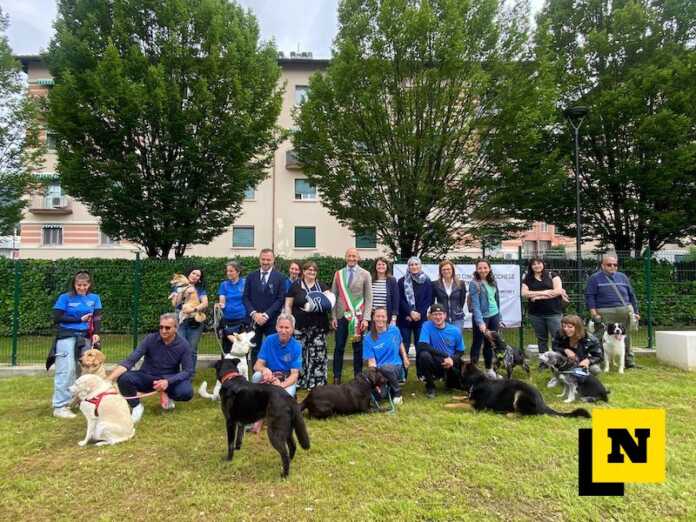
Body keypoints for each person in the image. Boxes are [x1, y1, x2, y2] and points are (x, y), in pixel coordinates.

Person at [108, 313, 194, 424]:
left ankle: (167, 393)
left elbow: (188, 371)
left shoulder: (184, 345)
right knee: (124, 378)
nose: (163, 330)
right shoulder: (150, 339)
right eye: (161, 327)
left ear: (176, 328)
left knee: (186, 392)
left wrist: (168, 382)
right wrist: (108, 380)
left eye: (167, 328)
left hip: (168, 379)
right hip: (147, 376)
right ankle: (137, 407)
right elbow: (130, 361)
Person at [49, 270, 102, 419]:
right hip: (66, 336)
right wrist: (79, 319)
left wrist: (97, 333)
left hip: (85, 337)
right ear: (74, 284)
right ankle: (60, 406)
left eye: (85, 285)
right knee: (67, 370)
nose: (82, 288)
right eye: (79, 285)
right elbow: (57, 318)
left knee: (85, 370)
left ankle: (81, 400)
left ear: (89, 284)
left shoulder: (95, 298)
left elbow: (97, 317)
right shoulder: (65, 298)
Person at [585, 254, 640, 369]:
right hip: (604, 312)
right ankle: (597, 361)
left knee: (626, 337)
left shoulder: (623, 277)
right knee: (600, 337)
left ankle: (629, 362)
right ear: (602, 265)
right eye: (609, 265)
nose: (612, 267)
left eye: (615, 265)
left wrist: (636, 311)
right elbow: (590, 297)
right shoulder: (594, 278)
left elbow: (631, 295)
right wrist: (594, 313)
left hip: (625, 310)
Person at [285, 261, 331, 389]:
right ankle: (299, 380)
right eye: (309, 270)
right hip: (299, 326)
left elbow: (329, 303)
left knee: (318, 354)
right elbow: (288, 305)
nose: (311, 272)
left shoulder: (322, 286)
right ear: (303, 271)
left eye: (314, 270)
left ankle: (316, 382)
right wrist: (289, 321)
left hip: (318, 326)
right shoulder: (295, 286)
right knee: (299, 353)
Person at [331, 248, 373, 384]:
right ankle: (336, 377)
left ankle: (358, 377)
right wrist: (333, 317)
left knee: (358, 348)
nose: (352, 258)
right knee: (339, 347)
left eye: (354, 256)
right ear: (345, 257)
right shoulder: (338, 274)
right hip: (341, 316)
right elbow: (333, 296)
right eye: (349, 256)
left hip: (358, 317)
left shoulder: (365, 274)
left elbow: (368, 298)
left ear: (358, 258)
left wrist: (366, 318)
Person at [243, 249, 287, 367]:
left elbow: (280, 299)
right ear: (259, 259)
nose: (265, 262)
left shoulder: (280, 277)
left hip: (272, 320)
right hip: (254, 320)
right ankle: (255, 377)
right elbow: (245, 297)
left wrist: (266, 315)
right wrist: (254, 314)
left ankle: (273, 377)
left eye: (268, 259)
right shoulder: (251, 276)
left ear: (273, 260)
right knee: (254, 349)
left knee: (273, 349)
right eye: (263, 259)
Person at [522, 257, 566, 363]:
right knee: (542, 339)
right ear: (531, 267)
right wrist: (545, 292)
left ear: (543, 264)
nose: (537, 266)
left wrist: (537, 297)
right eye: (534, 264)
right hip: (536, 314)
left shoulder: (552, 275)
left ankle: (558, 361)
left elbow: (558, 291)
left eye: (539, 263)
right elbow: (524, 293)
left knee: (557, 338)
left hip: (553, 313)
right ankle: (544, 362)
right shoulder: (527, 278)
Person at [416, 303, 465, 398]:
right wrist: (445, 355)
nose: (438, 317)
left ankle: (450, 381)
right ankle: (430, 386)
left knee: (453, 386)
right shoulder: (426, 326)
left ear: (445, 315)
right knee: (423, 355)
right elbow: (423, 345)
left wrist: (451, 359)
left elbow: (460, 351)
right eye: (435, 314)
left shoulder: (454, 330)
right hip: (435, 362)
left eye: (440, 314)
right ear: (430, 316)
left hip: (450, 364)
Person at [363, 308, 409, 405]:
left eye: (383, 316)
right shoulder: (368, 338)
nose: (380, 319)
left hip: (396, 367)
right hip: (380, 371)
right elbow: (372, 362)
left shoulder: (394, 330)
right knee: (380, 396)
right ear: (373, 318)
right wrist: (373, 377)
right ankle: (387, 388)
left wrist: (405, 358)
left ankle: (397, 392)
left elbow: (400, 343)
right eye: (378, 316)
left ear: (387, 318)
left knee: (386, 367)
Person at [397, 256, 433, 379]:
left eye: (416, 264)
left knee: (420, 347)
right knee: (404, 346)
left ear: (420, 266)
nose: (414, 267)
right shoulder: (401, 281)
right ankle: (403, 375)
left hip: (421, 320)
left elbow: (428, 300)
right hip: (404, 319)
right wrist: (409, 313)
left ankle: (421, 373)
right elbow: (400, 300)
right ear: (408, 266)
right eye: (411, 265)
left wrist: (419, 314)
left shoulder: (427, 281)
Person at [252, 314, 302, 397]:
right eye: (281, 327)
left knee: (286, 396)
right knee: (256, 376)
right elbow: (257, 365)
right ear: (276, 327)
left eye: (287, 328)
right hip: (270, 376)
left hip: (286, 378)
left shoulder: (296, 346)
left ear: (292, 329)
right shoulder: (269, 340)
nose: (283, 331)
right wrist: (264, 370)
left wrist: (280, 386)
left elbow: (294, 374)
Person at [170, 267, 208, 369]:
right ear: (188, 274)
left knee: (192, 349)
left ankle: (189, 374)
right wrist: (181, 292)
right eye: (193, 273)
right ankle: (177, 373)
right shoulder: (178, 287)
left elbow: (205, 303)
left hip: (195, 320)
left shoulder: (200, 289)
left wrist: (194, 310)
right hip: (181, 319)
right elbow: (175, 304)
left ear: (199, 279)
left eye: (198, 275)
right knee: (179, 347)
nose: (195, 276)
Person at [469, 259, 501, 379]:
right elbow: (475, 305)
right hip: (481, 317)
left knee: (489, 344)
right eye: (480, 268)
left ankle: (489, 369)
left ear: (489, 268)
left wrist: (499, 316)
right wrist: (480, 322)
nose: (483, 270)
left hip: (494, 316)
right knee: (477, 344)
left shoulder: (493, 280)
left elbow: (496, 299)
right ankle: (472, 372)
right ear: (476, 269)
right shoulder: (474, 283)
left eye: (485, 267)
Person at [216, 261, 247, 354]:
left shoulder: (245, 283)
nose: (228, 273)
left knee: (242, 347)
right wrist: (221, 305)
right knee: (227, 349)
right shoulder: (224, 285)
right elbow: (222, 299)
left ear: (238, 272)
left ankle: (241, 368)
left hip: (242, 319)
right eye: (227, 271)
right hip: (228, 320)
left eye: (231, 271)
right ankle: (226, 367)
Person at [432, 260, 466, 330]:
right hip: (442, 317)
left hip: (457, 317)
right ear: (440, 271)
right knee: (443, 339)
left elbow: (462, 300)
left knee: (456, 338)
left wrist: (457, 309)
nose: (446, 271)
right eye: (444, 269)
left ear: (452, 270)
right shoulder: (435, 284)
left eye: (448, 269)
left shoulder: (461, 283)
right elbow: (432, 301)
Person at [370, 257, 399, 326]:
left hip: (386, 316)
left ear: (387, 266)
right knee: (373, 335)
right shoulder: (370, 280)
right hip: (372, 315)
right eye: (379, 264)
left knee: (386, 335)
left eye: (383, 264)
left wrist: (393, 318)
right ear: (375, 266)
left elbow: (395, 300)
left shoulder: (392, 280)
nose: (381, 266)